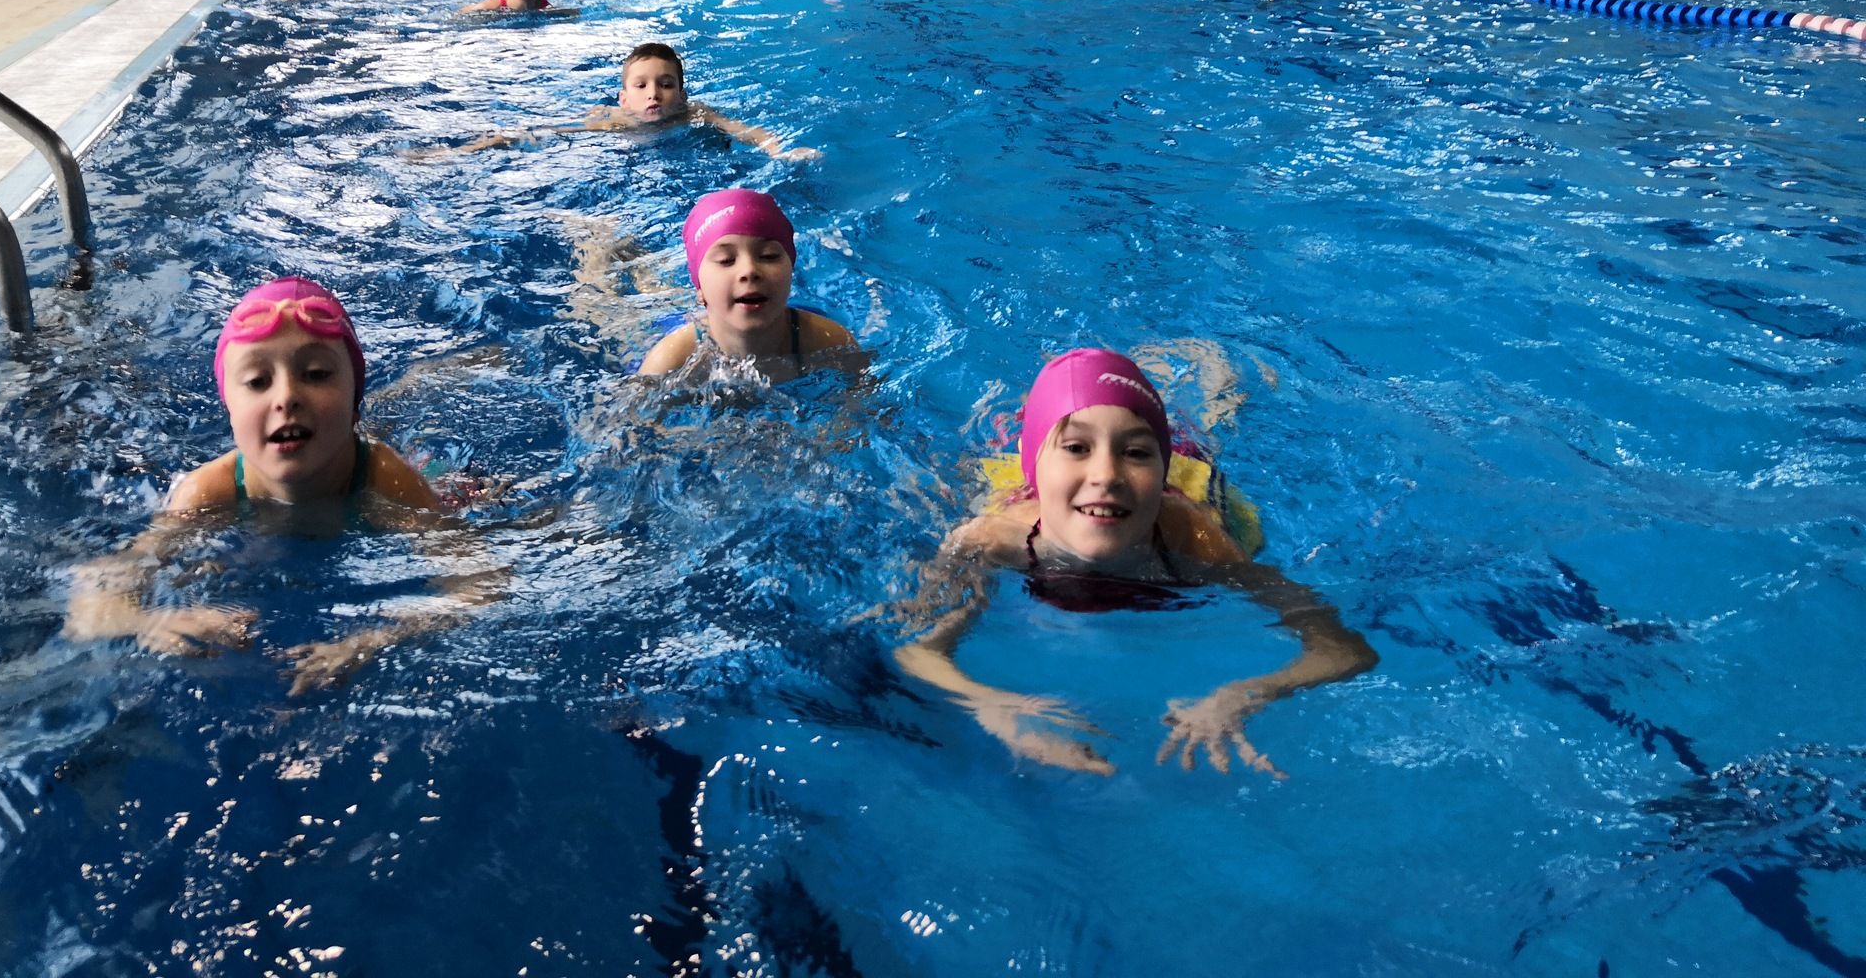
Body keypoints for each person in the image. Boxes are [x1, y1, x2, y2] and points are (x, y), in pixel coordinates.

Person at [893, 348, 1376, 777]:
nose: (1106, 474)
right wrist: (994, 707)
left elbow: (1342, 649)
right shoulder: (992, 540)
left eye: (1137, 453)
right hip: (1029, 487)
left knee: (1204, 419)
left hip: (1182, 481)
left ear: (1158, 469)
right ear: (1035, 463)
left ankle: (1206, 384)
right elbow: (917, 650)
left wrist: (1245, 694)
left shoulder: (1197, 544)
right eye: (1076, 448)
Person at [63, 278, 505, 694]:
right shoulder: (208, 492)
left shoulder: (384, 478)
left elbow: (482, 585)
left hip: (397, 471)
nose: (286, 396)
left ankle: (424, 380)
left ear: (353, 399)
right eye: (257, 381)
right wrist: (152, 622)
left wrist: (376, 638)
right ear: (230, 411)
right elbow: (91, 607)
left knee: (480, 494)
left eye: (316, 373)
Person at [441, 43, 816, 160]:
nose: (653, 93)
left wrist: (779, 151)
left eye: (665, 84)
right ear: (624, 98)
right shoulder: (615, 120)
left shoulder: (695, 113)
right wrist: (473, 148)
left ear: (682, 94)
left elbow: (745, 131)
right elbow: (546, 131)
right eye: (641, 86)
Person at [636, 189, 860, 381]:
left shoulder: (831, 343)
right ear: (700, 288)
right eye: (726, 260)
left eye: (769, 256)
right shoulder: (669, 361)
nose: (749, 270)